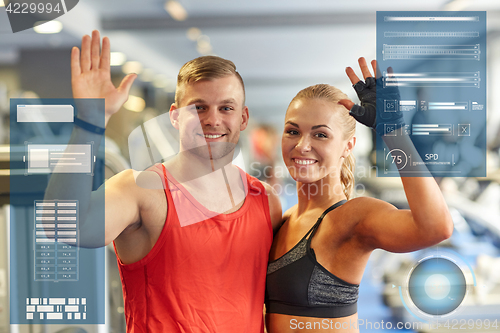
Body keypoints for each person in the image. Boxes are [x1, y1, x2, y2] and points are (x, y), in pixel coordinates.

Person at [46, 30, 282, 332]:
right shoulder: (142, 190)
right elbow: (62, 224)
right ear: (174, 116)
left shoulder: (265, 201)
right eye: (198, 107)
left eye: (226, 108)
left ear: (243, 118)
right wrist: (90, 124)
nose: (212, 119)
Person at [265, 58, 454, 332]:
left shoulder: (351, 218)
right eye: (293, 131)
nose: (302, 145)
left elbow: (436, 227)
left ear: (347, 146)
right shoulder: (284, 219)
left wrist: (394, 132)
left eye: (320, 135)